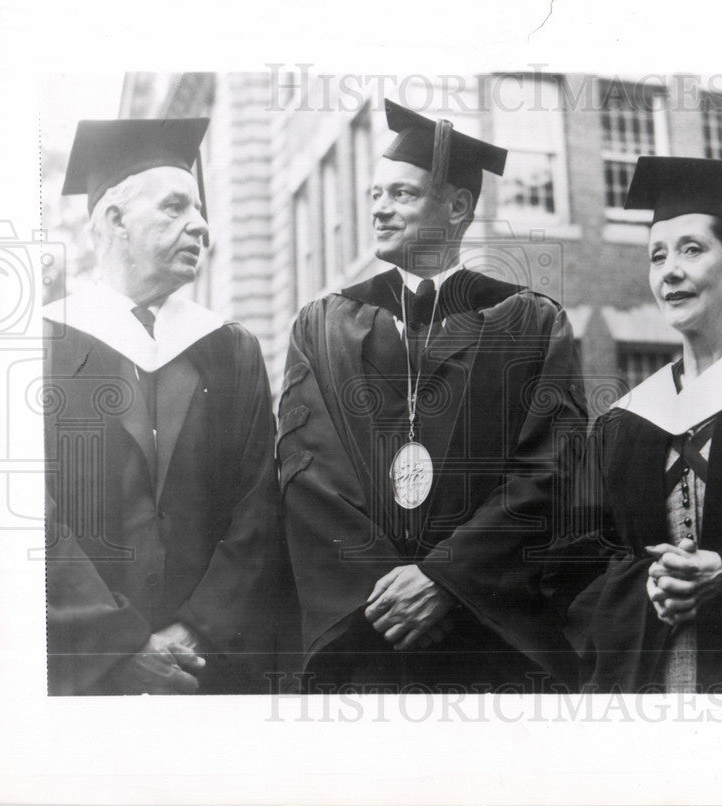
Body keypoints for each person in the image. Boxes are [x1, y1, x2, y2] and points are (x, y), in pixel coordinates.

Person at [280, 100, 587, 691]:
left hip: (488, 645)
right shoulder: (322, 326)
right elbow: (307, 473)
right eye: (375, 196)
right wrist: (388, 594)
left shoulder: (530, 322)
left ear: (457, 207)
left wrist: (446, 580)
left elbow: (553, 467)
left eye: (401, 194)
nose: (380, 210)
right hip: (365, 640)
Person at [544, 156, 722, 694]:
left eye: (691, 249)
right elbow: (572, 564)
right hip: (644, 695)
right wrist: (645, 585)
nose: (669, 270)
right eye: (657, 255)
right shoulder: (624, 423)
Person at [43, 118, 289, 695]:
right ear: (113, 220)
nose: (201, 226)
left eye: (200, 209)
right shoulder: (40, 347)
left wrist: (198, 633)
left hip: (210, 672)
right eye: (175, 207)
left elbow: (258, 509)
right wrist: (118, 644)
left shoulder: (229, 349)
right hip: (86, 679)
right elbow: (28, 519)